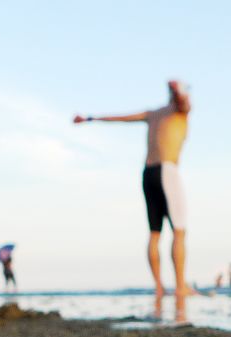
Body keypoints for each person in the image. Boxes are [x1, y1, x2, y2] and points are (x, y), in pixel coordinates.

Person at [74, 80, 194, 297]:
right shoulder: (178, 112)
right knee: (179, 231)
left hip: (147, 173)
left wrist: (90, 118)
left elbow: (121, 118)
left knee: (155, 233)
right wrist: (179, 91)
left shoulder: (152, 114)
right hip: (167, 170)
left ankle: (159, 288)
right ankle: (180, 287)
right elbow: (184, 103)